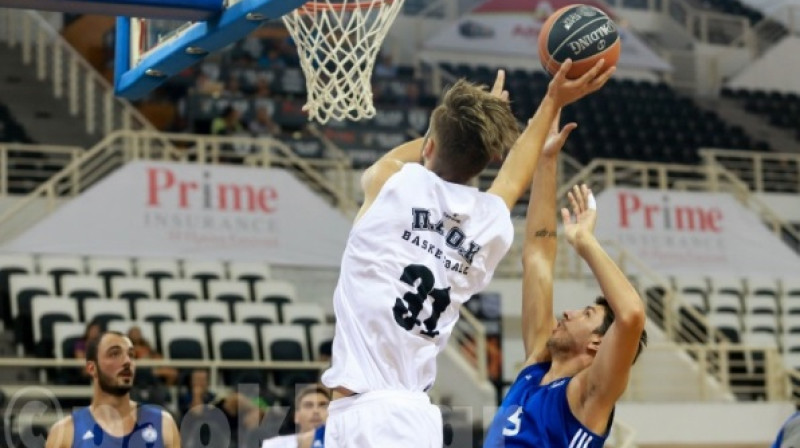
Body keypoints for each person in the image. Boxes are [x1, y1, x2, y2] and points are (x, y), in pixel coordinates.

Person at [320, 58, 614, 447]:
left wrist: (476, 123)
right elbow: (510, 179)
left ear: (429, 144)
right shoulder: (487, 223)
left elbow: (418, 157)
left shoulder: (392, 184)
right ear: (488, 157)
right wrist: (547, 104)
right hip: (409, 414)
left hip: (372, 414)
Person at [482, 116, 648, 447]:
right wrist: (545, 161)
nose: (568, 313)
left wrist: (584, 241)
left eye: (587, 314)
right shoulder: (535, 370)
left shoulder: (588, 396)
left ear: (598, 344)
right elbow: (538, 257)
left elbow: (630, 316)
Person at [45, 331, 181, 448]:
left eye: (131, 355)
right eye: (115, 354)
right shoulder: (64, 433)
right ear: (92, 368)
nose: (127, 361)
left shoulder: (164, 424)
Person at [261, 384, 330, 448]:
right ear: (296, 416)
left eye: (323, 405)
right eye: (308, 405)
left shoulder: (339, 443)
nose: (316, 411)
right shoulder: (274, 445)